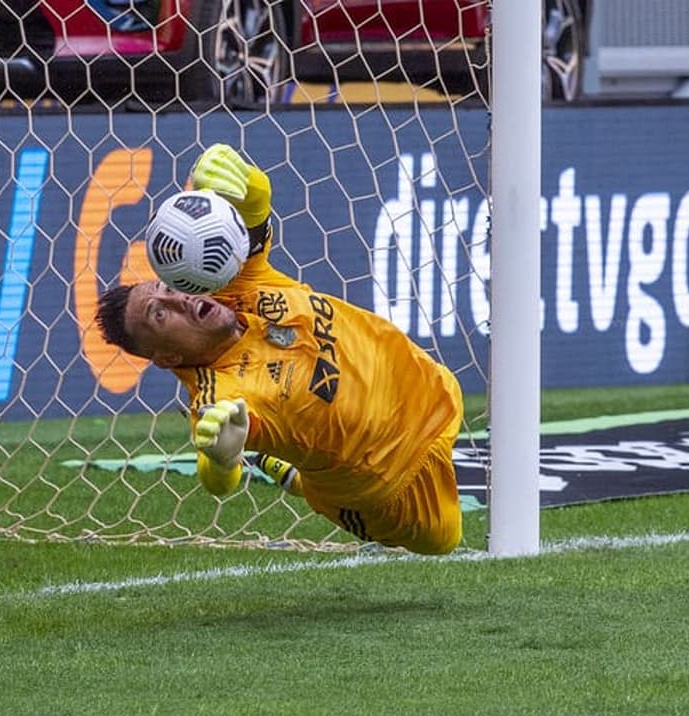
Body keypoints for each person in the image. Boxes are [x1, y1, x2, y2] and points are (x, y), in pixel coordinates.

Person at [95, 144, 466, 555]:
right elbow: (218, 474)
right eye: (160, 316)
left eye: (168, 289)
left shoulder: (239, 284)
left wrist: (238, 175)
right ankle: (291, 474)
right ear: (167, 358)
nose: (177, 300)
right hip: (395, 480)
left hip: (431, 386)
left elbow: (257, 202)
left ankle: (278, 464)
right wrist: (222, 457)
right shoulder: (221, 395)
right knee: (444, 540)